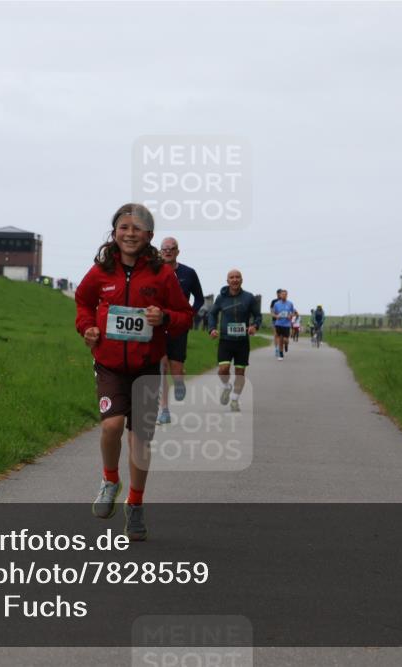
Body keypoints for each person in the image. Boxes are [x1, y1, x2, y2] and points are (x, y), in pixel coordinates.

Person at [75, 203, 193, 541]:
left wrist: (165, 318)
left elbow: (184, 315)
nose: (130, 233)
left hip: (146, 368)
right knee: (112, 425)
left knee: (140, 439)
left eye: (137, 228)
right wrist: (88, 328)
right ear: (114, 232)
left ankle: (136, 507)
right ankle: (110, 480)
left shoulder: (162, 274)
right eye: (124, 227)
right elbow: (82, 303)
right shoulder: (100, 272)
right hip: (109, 364)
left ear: (149, 236)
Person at [156, 237, 204, 425]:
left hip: (178, 325)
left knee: (176, 367)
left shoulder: (188, 273)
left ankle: (179, 382)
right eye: (164, 249)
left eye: (171, 248)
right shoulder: (154, 271)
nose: (167, 251)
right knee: (162, 367)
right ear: (160, 252)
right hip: (158, 324)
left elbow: (199, 298)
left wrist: (189, 315)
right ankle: (164, 410)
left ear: (178, 251)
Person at [207, 269, 261, 412]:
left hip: (242, 341)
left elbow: (258, 316)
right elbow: (212, 314)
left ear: (241, 280)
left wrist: (254, 326)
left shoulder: (249, 297)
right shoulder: (221, 298)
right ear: (228, 281)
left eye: (237, 277)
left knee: (240, 373)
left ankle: (235, 400)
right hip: (226, 340)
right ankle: (226, 387)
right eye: (232, 277)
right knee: (223, 370)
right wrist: (212, 328)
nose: (235, 280)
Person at [271, 289, 295, 360]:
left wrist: (290, 316)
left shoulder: (290, 304)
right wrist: (276, 316)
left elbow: (293, 312)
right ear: (280, 295)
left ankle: (286, 345)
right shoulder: (276, 304)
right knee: (280, 339)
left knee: (285, 340)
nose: (284, 296)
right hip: (278, 324)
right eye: (282, 294)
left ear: (287, 295)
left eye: (285, 294)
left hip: (286, 324)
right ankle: (281, 354)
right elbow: (272, 313)